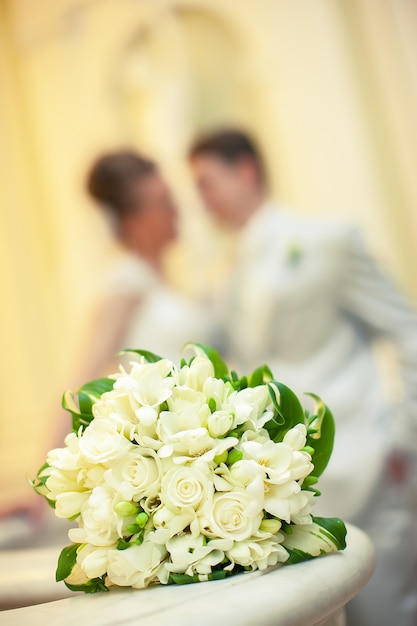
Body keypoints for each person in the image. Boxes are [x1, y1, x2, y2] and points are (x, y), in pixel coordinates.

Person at [188, 129, 417, 626]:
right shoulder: (220, 273)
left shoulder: (328, 239)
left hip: (369, 463)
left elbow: (407, 332)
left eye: (206, 183)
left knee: (387, 615)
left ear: (246, 170)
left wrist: (405, 438)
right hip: (285, 492)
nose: (201, 201)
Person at [84, 149, 212, 377]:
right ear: (131, 222)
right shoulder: (126, 281)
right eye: (163, 202)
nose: (176, 210)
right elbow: (86, 372)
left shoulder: (163, 278)